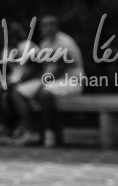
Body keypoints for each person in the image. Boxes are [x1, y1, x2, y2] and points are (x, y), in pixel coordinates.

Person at [10, 14, 84, 146]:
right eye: (43, 26)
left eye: (49, 25)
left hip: (70, 81)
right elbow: (40, 68)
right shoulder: (44, 44)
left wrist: (42, 84)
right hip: (50, 81)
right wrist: (22, 80)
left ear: (56, 26)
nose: (45, 28)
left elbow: (60, 69)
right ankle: (31, 131)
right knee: (18, 93)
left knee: (45, 92)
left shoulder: (65, 42)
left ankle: (49, 134)